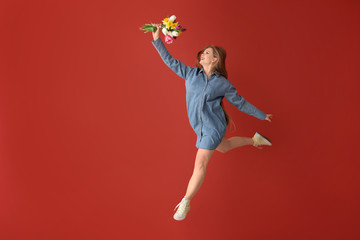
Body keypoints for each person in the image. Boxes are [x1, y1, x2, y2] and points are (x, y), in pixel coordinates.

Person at [150, 25, 273, 221]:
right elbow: (170, 61)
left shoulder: (222, 83)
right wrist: (157, 40)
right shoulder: (191, 74)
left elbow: (239, 102)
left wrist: (260, 114)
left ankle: (185, 202)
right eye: (202, 53)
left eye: (207, 53)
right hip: (199, 128)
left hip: (213, 127)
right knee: (224, 147)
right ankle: (255, 140)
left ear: (215, 59)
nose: (202, 55)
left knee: (200, 164)